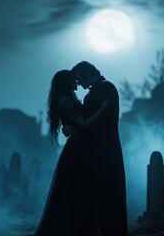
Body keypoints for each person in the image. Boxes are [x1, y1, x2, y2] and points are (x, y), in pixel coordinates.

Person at [34, 70, 110, 236]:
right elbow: (85, 122)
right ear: (67, 82)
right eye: (74, 80)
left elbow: (77, 124)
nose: (77, 83)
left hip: (78, 147)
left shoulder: (67, 99)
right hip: (78, 150)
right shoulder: (66, 101)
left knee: (78, 190)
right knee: (77, 190)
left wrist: (72, 128)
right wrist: (103, 108)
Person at [65, 61, 128, 236]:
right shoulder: (103, 89)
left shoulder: (103, 89)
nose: (79, 84)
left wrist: (74, 128)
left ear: (87, 74)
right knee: (104, 200)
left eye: (79, 79)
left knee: (106, 199)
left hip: (102, 153)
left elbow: (93, 124)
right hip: (103, 151)